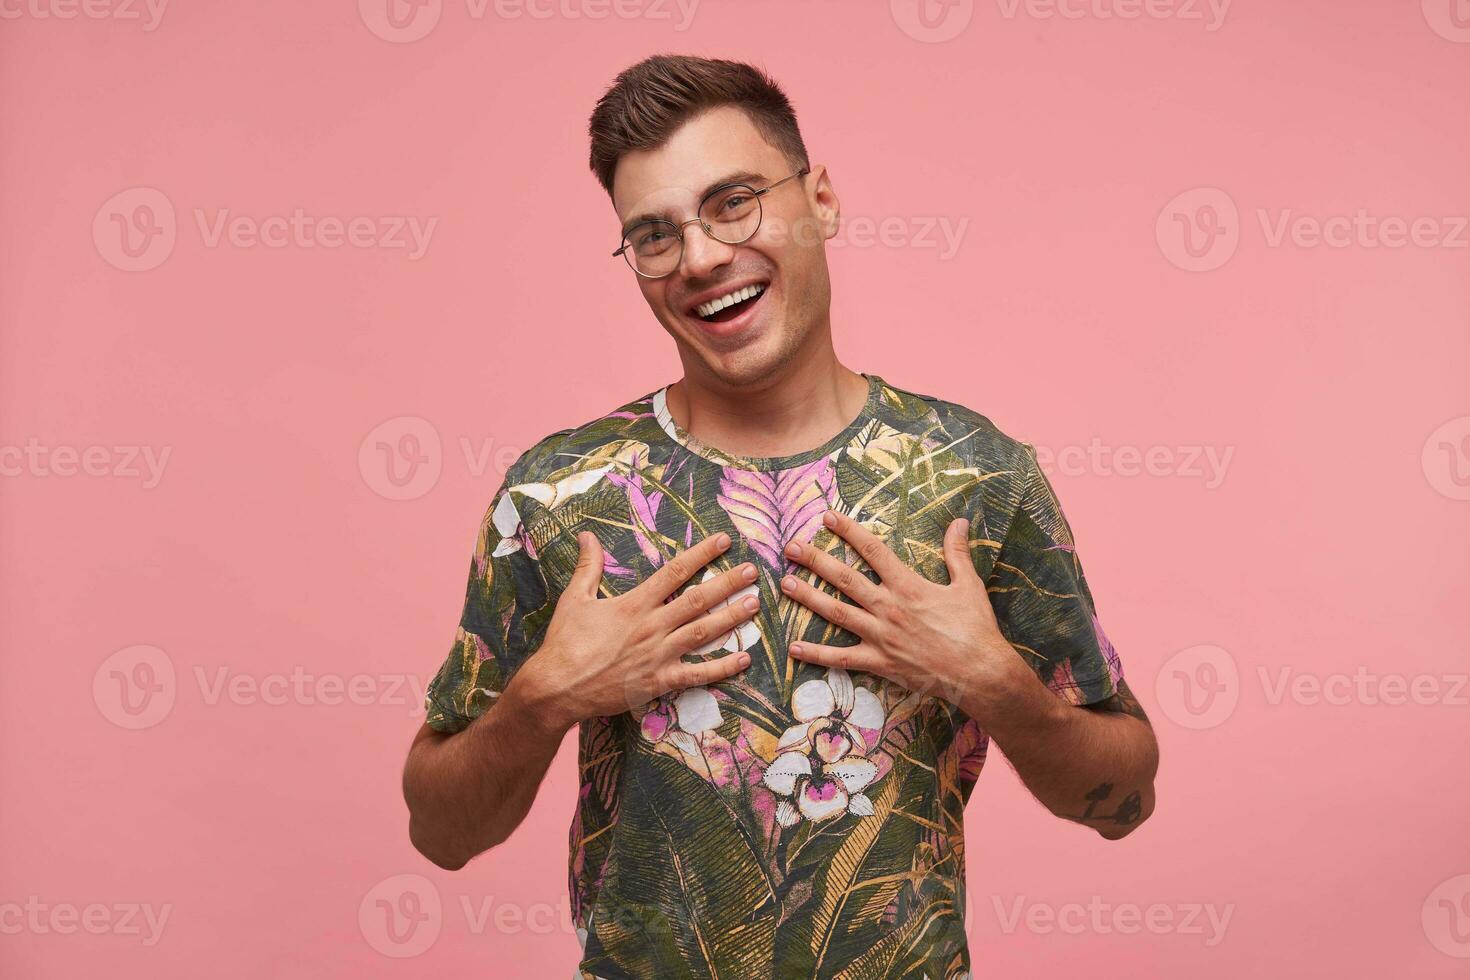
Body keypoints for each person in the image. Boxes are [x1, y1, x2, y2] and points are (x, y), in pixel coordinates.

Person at [402, 54, 1159, 980]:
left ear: (824, 200)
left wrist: (994, 682)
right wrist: (544, 696)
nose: (703, 258)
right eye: (653, 234)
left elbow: (1123, 798)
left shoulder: (978, 476)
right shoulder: (558, 496)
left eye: (734, 201)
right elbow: (440, 833)